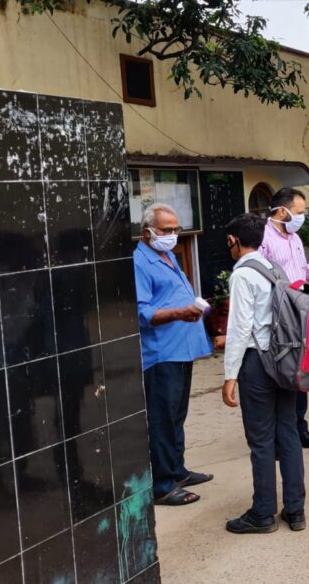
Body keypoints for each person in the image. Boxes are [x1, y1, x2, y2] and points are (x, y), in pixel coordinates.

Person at [221, 213, 306, 534]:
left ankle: (263, 513)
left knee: (260, 440)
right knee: (288, 432)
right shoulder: (274, 268)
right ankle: (295, 511)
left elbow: (240, 328)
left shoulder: (243, 274)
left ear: (233, 240)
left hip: (257, 362)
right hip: (285, 359)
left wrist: (230, 375)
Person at [134, 203, 214, 507]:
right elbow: (143, 312)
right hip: (161, 353)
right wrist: (180, 312)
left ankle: (177, 471)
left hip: (182, 349)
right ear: (147, 233)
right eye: (166, 229)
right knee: (162, 419)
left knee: (177, 416)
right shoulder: (140, 262)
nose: (173, 234)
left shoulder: (166, 256)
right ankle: (162, 484)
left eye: (175, 228)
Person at [259, 187, 309, 449]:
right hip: (278, 314)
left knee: (301, 369)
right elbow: (259, 277)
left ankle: (299, 427)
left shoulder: (295, 237)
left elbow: (302, 273)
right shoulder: (263, 237)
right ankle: (279, 435)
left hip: (301, 311)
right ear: (281, 211)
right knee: (282, 370)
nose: (301, 217)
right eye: (299, 212)